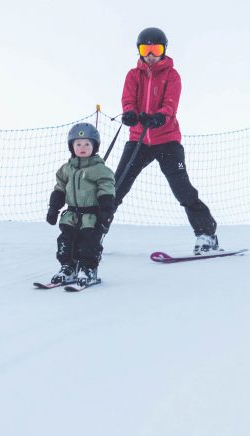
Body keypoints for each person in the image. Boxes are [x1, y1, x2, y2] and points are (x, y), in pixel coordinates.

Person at [114, 27, 219, 254]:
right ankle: (94, 236)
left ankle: (206, 234)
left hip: (167, 139)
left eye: (156, 49)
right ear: (139, 51)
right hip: (138, 140)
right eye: (146, 49)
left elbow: (171, 103)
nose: (151, 54)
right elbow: (128, 99)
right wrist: (130, 113)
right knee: (116, 187)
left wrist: (161, 116)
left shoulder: (172, 75)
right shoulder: (133, 75)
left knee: (182, 189)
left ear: (164, 50)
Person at [45, 123, 116, 287]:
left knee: (89, 244)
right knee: (65, 242)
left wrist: (106, 210)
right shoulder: (65, 169)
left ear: (94, 146)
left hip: (92, 216)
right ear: (71, 146)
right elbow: (60, 189)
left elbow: (106, 188)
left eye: (87, 144)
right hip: (71, 215)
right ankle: (68, 268)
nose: (82, 147)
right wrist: (53, 208)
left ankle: (88, 269)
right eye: (78, 144)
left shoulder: (100, 170)